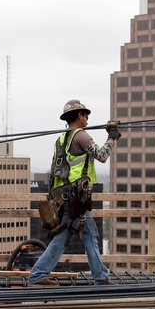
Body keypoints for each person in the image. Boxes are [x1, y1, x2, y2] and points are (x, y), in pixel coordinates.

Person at [28, 99, 120, 286]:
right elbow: (101, 156)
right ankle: (100, 278)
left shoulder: (61, 139)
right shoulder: (81, 136)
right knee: (89, 237)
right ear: (79, 116)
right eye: (85, 115)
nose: (87, 119)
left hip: (64, 198)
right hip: (75, 199)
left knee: (67, 238)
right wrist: (112, 137)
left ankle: (38, 275)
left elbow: (55, 171)